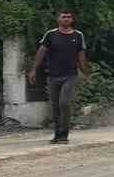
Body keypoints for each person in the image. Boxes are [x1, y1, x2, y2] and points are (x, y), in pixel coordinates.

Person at [28, 10, 89, 144]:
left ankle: (64, 134)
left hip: (70, 75)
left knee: (64, 103)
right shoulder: (50, 34)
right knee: (55, 106)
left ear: (72, 19)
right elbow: (41, 52)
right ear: (58, 19)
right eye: (64, 17)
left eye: (69, 17)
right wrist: (33, 69)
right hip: (52, 75)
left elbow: (81, 55)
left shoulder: (78, 35)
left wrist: (85, 72)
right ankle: (57, 134)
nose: (66, 19)